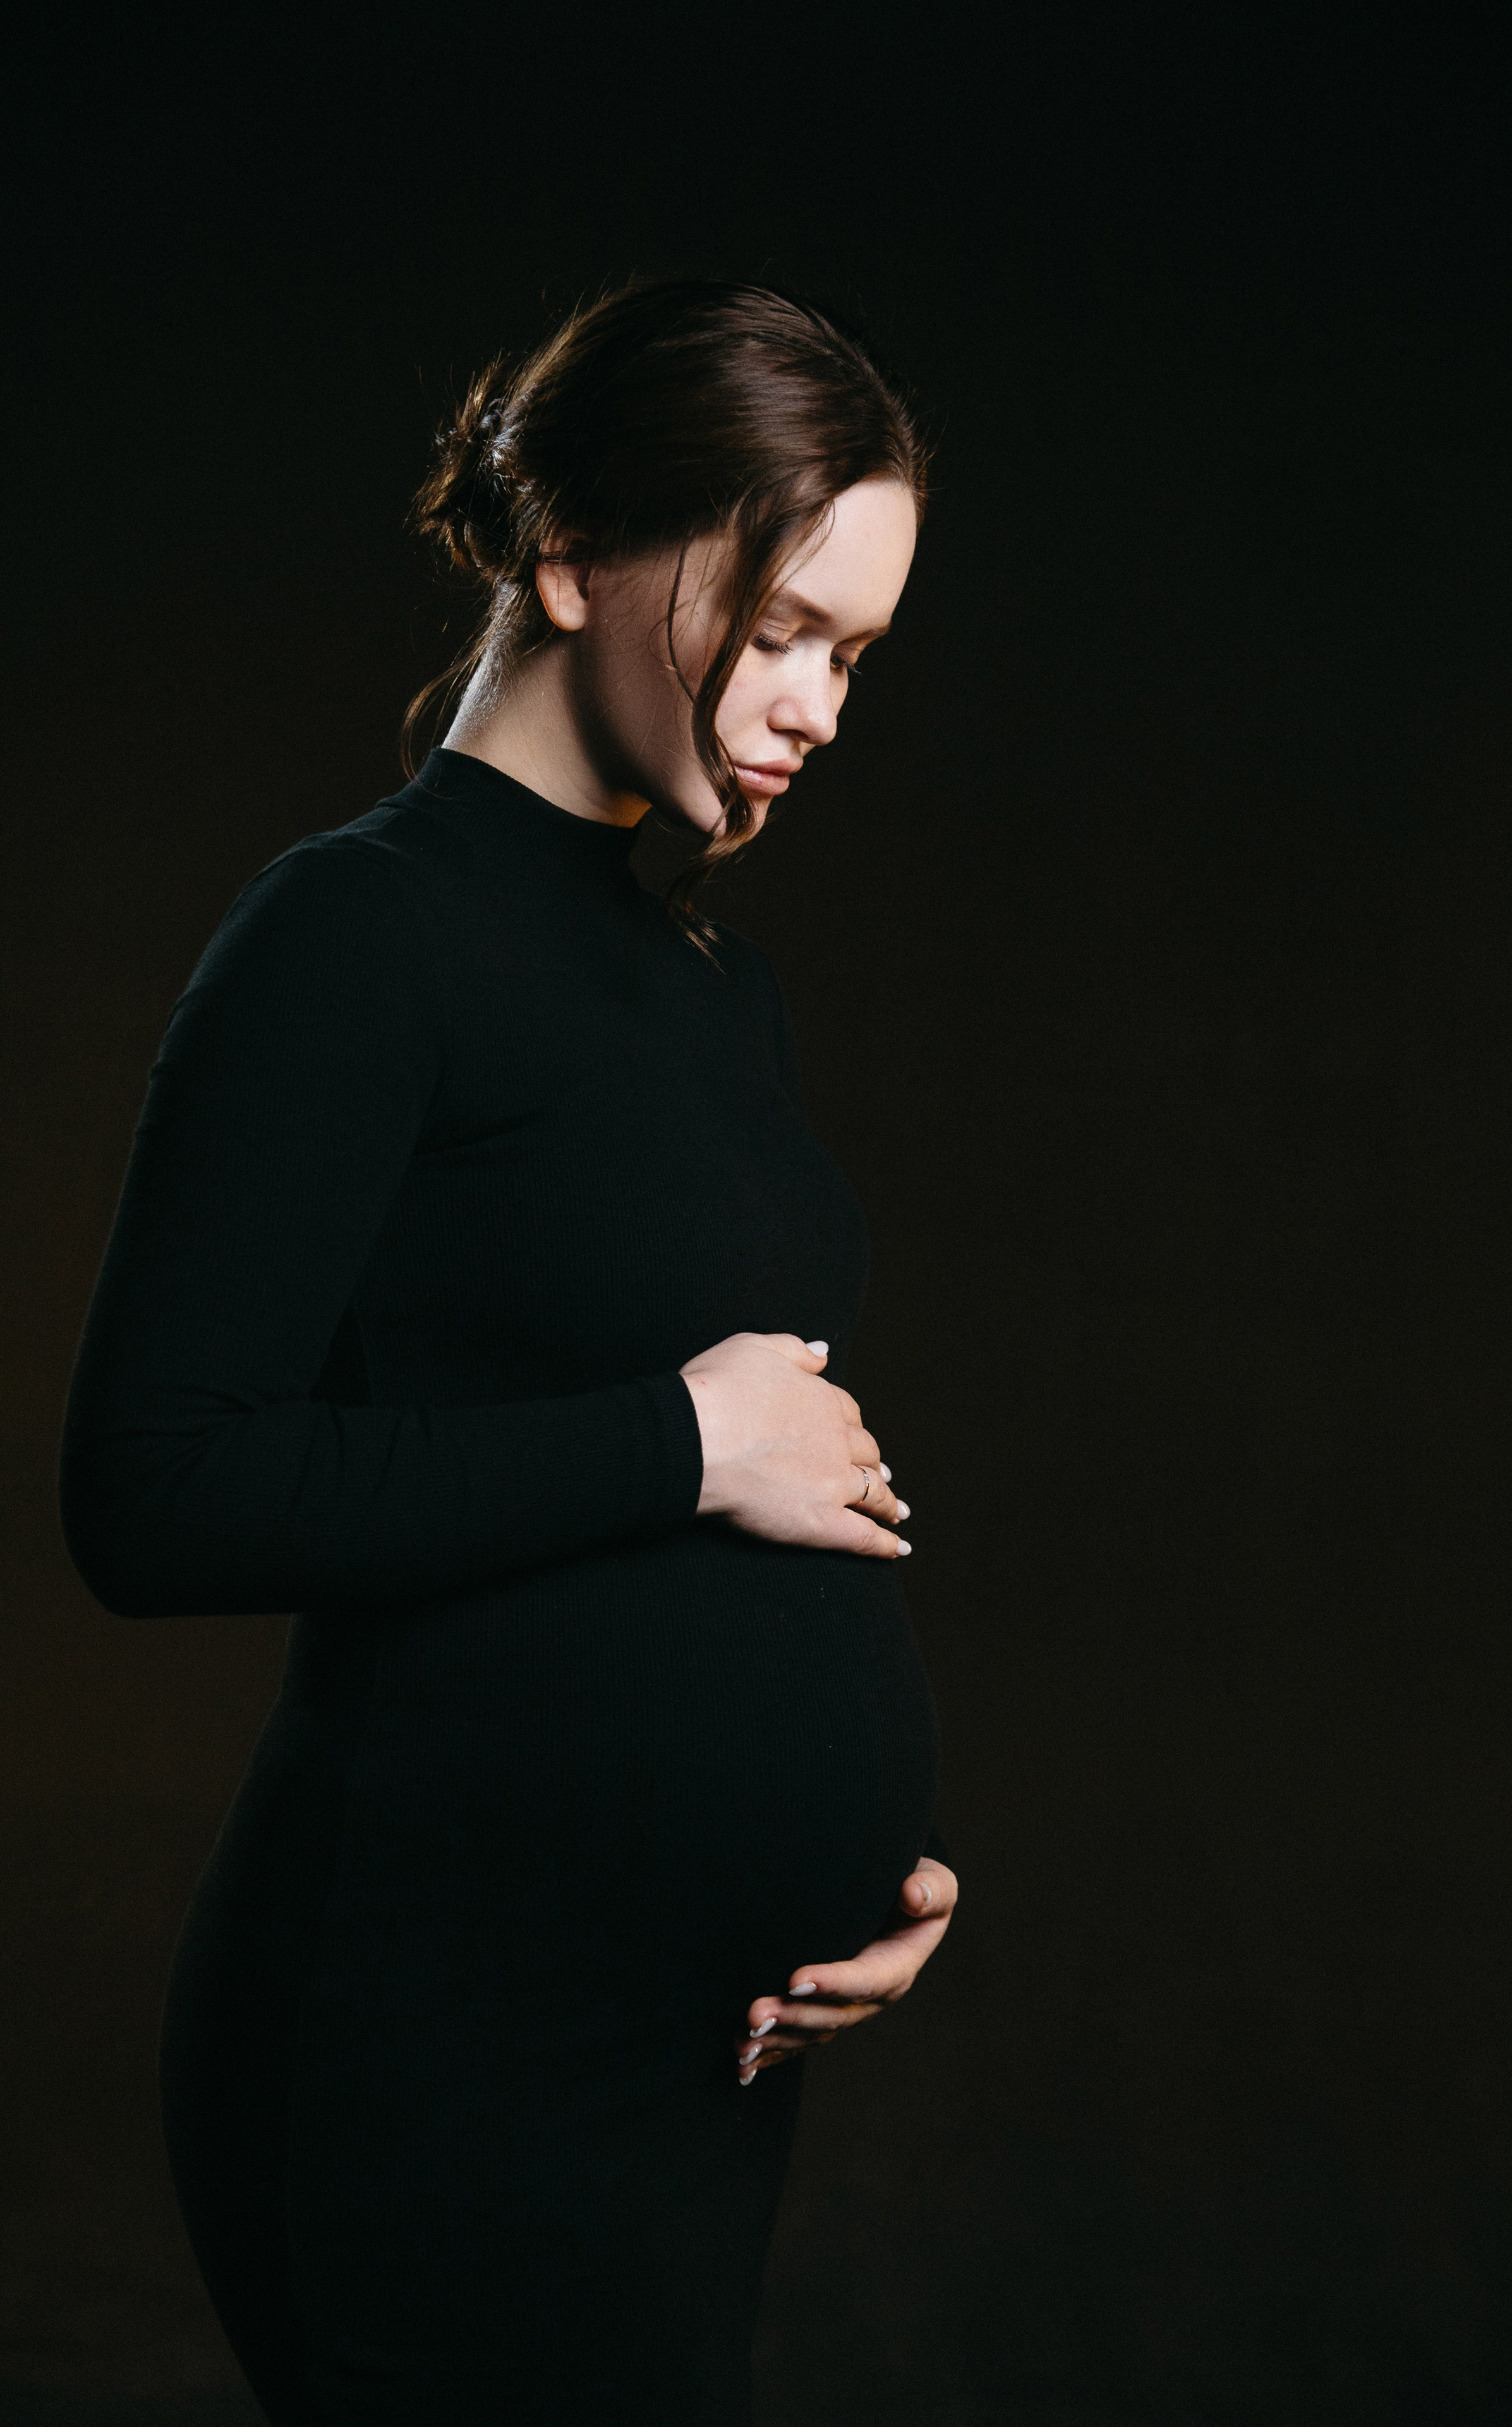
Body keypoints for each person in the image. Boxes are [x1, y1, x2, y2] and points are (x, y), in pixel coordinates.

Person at [59, 277, 957, 2425]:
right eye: (780, 629)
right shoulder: (355, 940)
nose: (820, 705)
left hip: (688, 2064)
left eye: (857, 653)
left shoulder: (707, 983)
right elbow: (152, 1490)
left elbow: (763, 1496)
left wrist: (873, 1873)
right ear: (572, 556)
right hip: (431, 2062)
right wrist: (676, 1443)